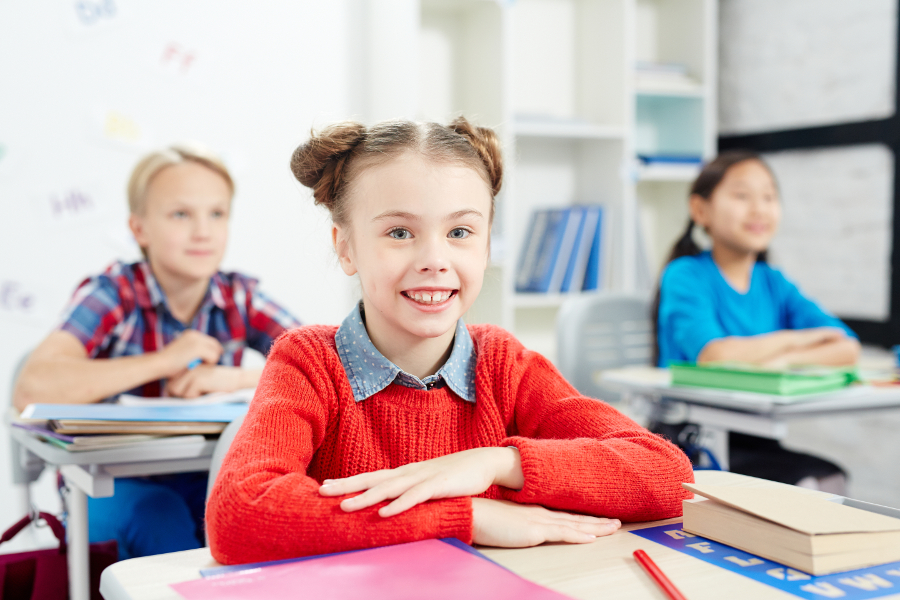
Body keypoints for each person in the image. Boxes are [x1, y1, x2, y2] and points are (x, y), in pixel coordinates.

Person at [206, 117, 694, 565]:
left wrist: (495, 463)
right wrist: (465, 518)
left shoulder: (505, 364)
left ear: (485, 246)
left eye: (460, 231)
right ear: (346, 246)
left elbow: (669, 475)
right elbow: (239, 515)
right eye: (400, 232)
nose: (434, 259)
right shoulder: (308, 363)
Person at [13, 145, 301, 559]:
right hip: (110, 486)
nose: (203, 231)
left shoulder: (239, 295)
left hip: (208, 473)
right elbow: (32, 388)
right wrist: (165, 360)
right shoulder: (113, 292)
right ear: (140, 229)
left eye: (216, 214)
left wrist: (235, 378)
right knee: (159, 515)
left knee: (265, 510)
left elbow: (327, 364)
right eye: (181, 214)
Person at [653, 150, 860, 492]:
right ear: (700, 210)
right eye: (742, 196)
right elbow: (714, 355)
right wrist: (796, 339)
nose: (759, 208)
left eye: (769, 196)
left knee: (830, 479)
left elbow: (846, 347)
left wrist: (784, 360)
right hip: (689, 440)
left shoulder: (772, 281)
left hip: (756, 436)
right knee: (811, 484)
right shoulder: (685, 275)